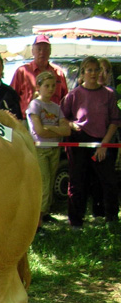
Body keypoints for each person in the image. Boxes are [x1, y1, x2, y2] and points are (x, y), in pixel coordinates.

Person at [60, 56, 120, 229]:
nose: (93, 73)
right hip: (79, 141)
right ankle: (76, 221)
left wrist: (104, 145)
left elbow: (114, 121)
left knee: (108, 181)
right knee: (78, 181)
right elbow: (62, 119)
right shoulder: (73, 95)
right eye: (89, 70)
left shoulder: (108, 95)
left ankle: (111, 218)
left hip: (102, 141)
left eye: (96, 70)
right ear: (83, 73)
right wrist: (71, 124)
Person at [27, 71, 70, 230]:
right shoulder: (35, 105)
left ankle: (44, 214)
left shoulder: (56, 107)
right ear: (38, 87)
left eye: (53, 85)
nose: (50, 89)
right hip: (40, 149)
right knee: (43, 183)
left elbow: (67, 131)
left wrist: (50, 128)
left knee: (51, 182)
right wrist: (56, 129)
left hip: (54, 148)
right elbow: (39, 130)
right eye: (47, 86)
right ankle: (36, 222)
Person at [10, 35, 68, 114]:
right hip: (27, 118)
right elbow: (12, 97)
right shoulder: (22, 71)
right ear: (33, 51)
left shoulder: (58, 73)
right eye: (39, 49)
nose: (42, 52)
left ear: (50, 51)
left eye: (45, 49)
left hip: (53, 119)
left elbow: (65, 99)